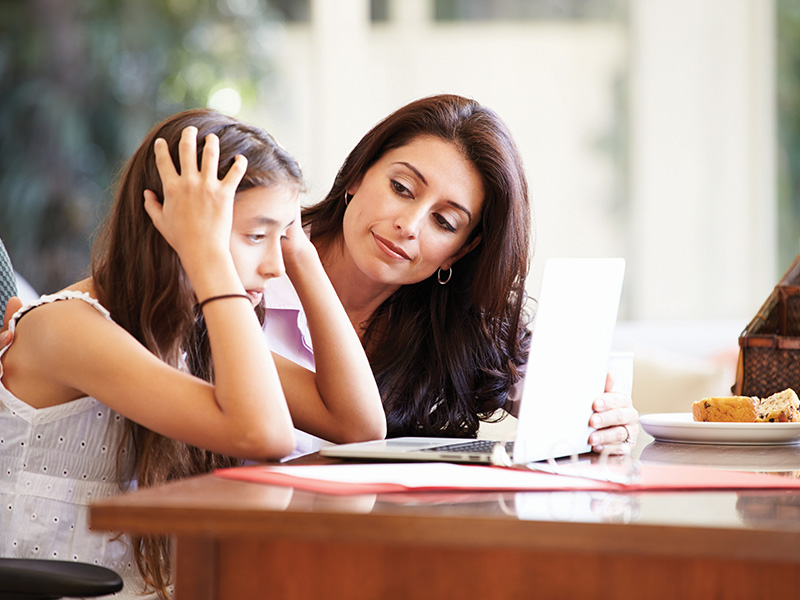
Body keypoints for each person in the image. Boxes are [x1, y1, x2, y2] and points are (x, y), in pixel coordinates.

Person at [0, 109, 384, 600]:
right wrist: (207, 257)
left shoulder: (187, 336)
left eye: (282, 238)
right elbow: (262, 434)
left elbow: (359, 427)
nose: (274, 266)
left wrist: (302, 254)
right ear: (174, 225)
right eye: (254, 235)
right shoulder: (67, 328)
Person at [263, 93, 639, 452]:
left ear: (460, 251)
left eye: (444, 222)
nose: (409, 225)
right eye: (401, 187)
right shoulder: (251, 264)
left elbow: (573, 407)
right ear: (359, 173)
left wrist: (607, 421)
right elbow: (356, 427)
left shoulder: (455, 320)